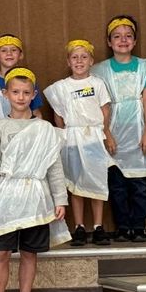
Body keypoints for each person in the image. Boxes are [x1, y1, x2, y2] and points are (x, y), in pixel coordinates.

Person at [0, 67, 68, 292]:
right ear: (5, 94)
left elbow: (54, 166)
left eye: (26, 92)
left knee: (29, 252)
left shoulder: (45, 128)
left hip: (36, 197)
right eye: (15, 92)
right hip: (7, 196)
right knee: (1, 252)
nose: (20, 97)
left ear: (34, 95)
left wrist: (60, 199)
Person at [92, 16, 146, 243]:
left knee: (139, 186)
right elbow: (98, 104)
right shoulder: (99, 70)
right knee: (117, 185)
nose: (123, 40)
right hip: (114, 130)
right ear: (109, 42)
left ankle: (139, 226)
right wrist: (106, 133)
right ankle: (122, 227)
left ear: (135, 40)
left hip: (138, 130)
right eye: (117, 36)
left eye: (128, 36)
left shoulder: (144, 67)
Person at [44, 39, 115, 247]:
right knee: (75, 184)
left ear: (91, 61)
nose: (79, 61)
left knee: (97, 180)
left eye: (84, 57)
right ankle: (79, 227)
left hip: (93, 137)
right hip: (73, 138)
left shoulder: (97, 84)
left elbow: (105, 110)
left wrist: (106, 133)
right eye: (74, 57)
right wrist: (65, 135)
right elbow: (58, 114)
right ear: (68, 61)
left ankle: (99, 226)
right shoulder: (62, 87)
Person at [0, 34, 43, 165]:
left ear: (21, 55)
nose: (9, 54)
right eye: (4, 50)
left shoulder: (29, 81)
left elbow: (36, 113)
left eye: (14, 50)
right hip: (1, 139)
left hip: (27, 137)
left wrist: (41, 140)